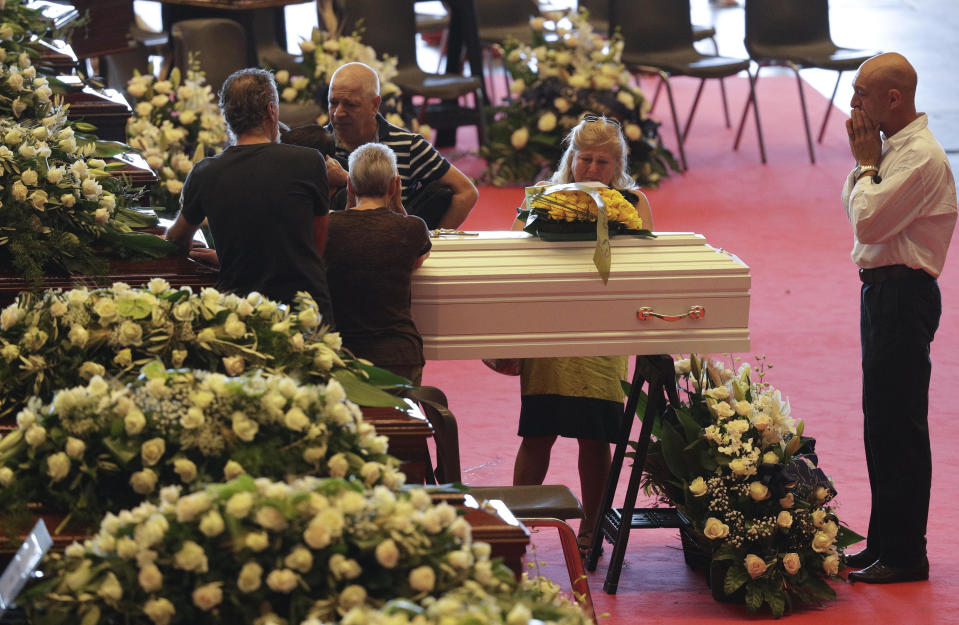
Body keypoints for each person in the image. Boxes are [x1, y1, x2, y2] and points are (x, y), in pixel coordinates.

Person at [511, 115, 654, 555]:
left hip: (602, 333)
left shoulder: (634, 202)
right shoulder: (541, 197)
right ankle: (516, 527)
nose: (592, 170)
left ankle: (593, 529)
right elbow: (513, 262)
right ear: (570, 158)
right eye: (584, 159)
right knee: (537, 434)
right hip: (548, 331)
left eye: (603, 162)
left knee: (596, 439)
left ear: (619, 165)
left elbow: (647, 265)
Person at [841, 53, 957, 583]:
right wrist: (866, 167)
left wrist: (866, 166)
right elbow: (855, 206)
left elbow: (865, 219)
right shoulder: (892, 148)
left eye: (862, 92)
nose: (852, 102)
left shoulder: (921, 158)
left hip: (904, 296)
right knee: (878, 424)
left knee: (899, 427)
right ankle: (884, 541)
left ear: (893, 99)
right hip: (882, 294)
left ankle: (907, 554)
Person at [166, 68, 335, 326]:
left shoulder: (205, 172)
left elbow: (177, 239)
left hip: (241, 315)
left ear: (227, 117)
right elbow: (315, 247)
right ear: (271, 110)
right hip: (303, 311)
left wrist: (226, 258)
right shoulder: (309, 162)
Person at [322, 142, 431, 385]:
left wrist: (348, 208)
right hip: (398, 356)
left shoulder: (327, 227)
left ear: (349, 185)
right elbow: (417, 259)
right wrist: (399, 206)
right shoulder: (412, 228)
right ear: (395, 185)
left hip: (341, 355)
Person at [324, 62, 478, 229]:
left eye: (350, 104)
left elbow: (466, 192)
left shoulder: (409, 145)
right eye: (333, 102)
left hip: (398, 249)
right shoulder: (314, 145)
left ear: (374, 105)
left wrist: (432, 243)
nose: (338, 113)